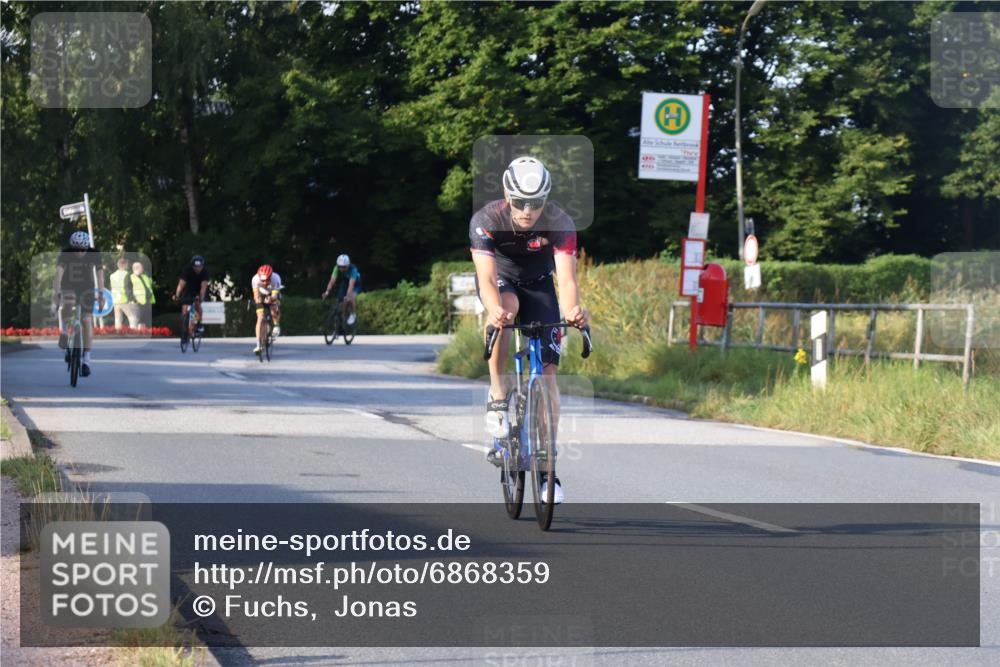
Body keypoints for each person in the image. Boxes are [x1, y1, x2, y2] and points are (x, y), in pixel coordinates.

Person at [470, 156, 588, 505]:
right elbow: (486, 279)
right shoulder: (487, 220)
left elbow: (566, 280)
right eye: (520, 202)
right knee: (507, 311)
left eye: (535, 203)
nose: (526, 210)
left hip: (539, 283)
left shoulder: (560, 222)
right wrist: (494, 311)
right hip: (502, 282)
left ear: (545, 200)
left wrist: (573, 311)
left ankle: (548, 472)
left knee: (548, 377)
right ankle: (497, 396)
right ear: (508, 195)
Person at [50, 231, 106, 377]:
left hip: (87, 287)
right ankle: (63, 332)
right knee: (68, 302)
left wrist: (100, 294)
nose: (79, 252)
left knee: (87, 321)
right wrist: (56, 292)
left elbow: (100, 275)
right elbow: (58, 275)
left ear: (87, 247)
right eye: (76, 249)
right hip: (69, 284)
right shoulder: (66, 253)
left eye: (83, 249)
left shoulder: (94, 253)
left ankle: (86, 361)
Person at [174, 255, 209, 339]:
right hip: (188, 290)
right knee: (185, 308)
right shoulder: (187, 270)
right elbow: (181, 284)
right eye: (195, 267)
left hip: (198, 291)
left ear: (202, 266)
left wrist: (201, 297)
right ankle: (185, 327)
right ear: (192, 266)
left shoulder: (205, 272)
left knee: (197, 305)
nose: (197, 269)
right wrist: (177, 295)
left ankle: (199, 323)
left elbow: (203, 287)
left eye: (199, 267)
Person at [322, 254, 360, 326]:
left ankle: (353, 314)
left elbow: (351, 285)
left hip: (355, 284)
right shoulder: (336, 268)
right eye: (340, 266)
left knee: (350, 298)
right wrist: (327, 292)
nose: (341, 269)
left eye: (344, 267)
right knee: (340, 302)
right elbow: (332, 281)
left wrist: (348, 296)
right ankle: (341, 320)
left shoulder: (353, 270)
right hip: (345, 282)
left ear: (348, 265)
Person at [252, 264, 283, 354]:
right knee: (260, 318)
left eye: (267, 280)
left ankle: (276, 325)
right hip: (261, 294)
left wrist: (271, 299)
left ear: (270, 277)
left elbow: (274, 295)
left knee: (273, 307)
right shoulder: (255, 279)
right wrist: (259, 299)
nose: (265, 283)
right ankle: (258, 345)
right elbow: (256, 295)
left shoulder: (275, 278)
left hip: (272, 293)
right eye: (263, 281)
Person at [109, 256, 137, 331]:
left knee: (118, 319)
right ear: (125, 264)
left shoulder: (112, 275)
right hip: (125, 299)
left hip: (115, 300)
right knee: (132, 317)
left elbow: (111, 287)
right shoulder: (128, 274)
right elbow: (132, 287)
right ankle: (133, 332)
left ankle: (118, 333)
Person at [130, 261, 155, 330]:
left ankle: (144, 332)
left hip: (147, 300)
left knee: (145, 318)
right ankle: (137, 333)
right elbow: (128, 289)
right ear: (136, 268)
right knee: (138, 318)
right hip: (138, 301)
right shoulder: (131, 277)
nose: (143, 268)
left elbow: (149, 286)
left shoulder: (145, 276)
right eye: (141, 267)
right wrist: (133, 299)